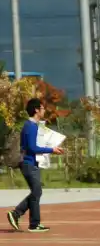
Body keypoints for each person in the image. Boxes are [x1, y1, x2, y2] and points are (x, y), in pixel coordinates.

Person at [7, 98, 64, 233]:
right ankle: (19, 215)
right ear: (36, 110)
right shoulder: (31, 126)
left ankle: (32, 222)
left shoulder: (33, 126)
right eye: (42, 108)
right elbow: (32, 148)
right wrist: (52, 150)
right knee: (37, 191)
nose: (44, 110)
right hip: (29, 163)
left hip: (31, 163)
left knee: (36, 192)